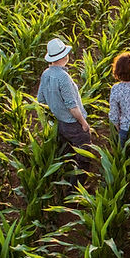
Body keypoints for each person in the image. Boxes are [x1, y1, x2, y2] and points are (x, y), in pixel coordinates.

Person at [36, 37, 92, 175]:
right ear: (64, 56)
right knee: (84, 158)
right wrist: (84, 124)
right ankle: (76, 189)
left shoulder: (46, 74)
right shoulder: (63, 77)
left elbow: (40, 99)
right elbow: (72, 106)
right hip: (74, 124)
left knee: (69, 157)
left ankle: (67, 183)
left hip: (61, 124)